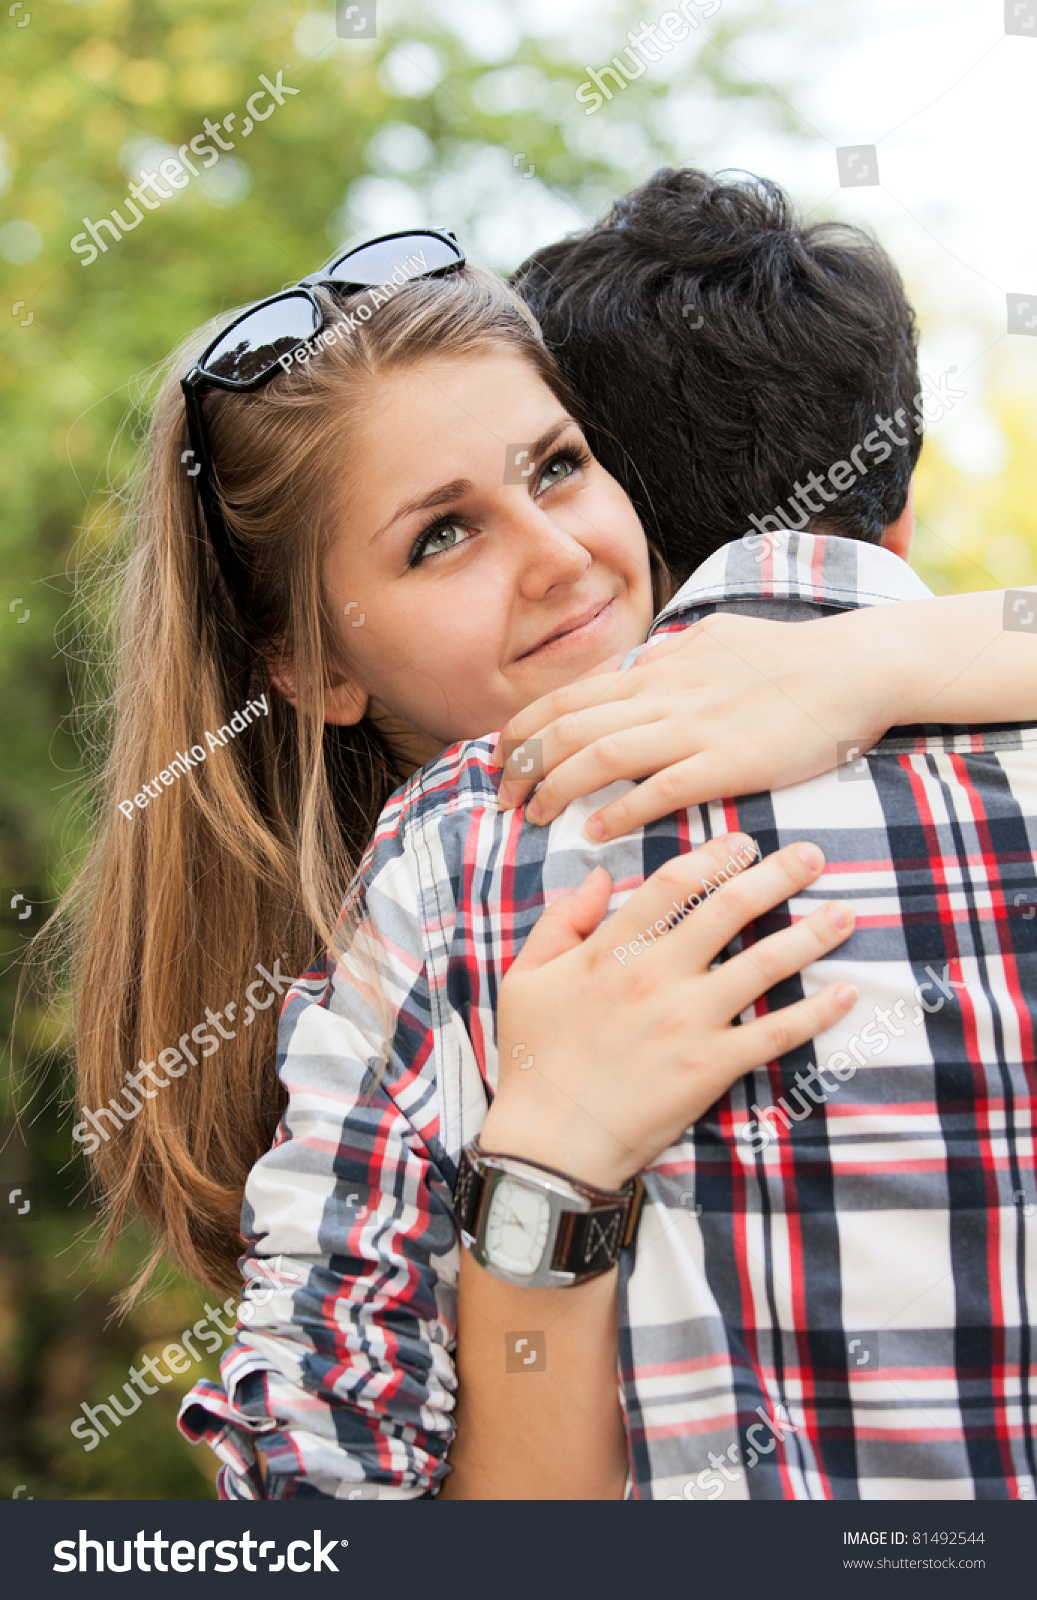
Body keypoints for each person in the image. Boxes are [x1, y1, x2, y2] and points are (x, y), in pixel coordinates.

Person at [165, 195, 1036, 1498]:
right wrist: (552, 1167)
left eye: (559, 466)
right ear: (307, 667)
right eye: (440, 535)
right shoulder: (407, 922)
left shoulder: (440, 870)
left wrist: (874, 658)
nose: (560, 556)